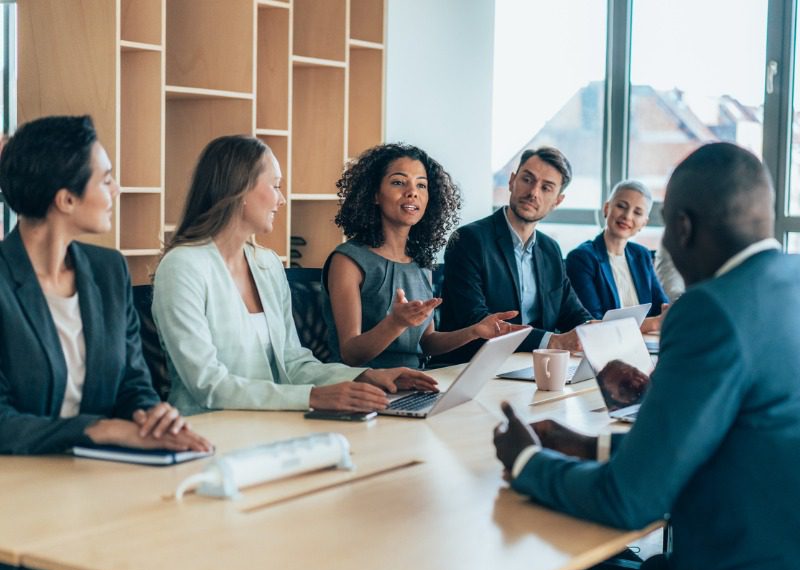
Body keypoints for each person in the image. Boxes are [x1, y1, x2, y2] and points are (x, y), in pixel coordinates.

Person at [493, 142, 800, 570]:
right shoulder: (790, 283)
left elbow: (629, 500)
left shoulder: (710, 310)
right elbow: (727, 438)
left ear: (682, 228)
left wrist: (526, 461)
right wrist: (590, 445)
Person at [152, 135, 438, 416]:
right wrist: (312, 397)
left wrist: (364, 376)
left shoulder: (266, 264)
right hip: (210, 430)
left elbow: (293, 362)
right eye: (275, 186)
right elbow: (207, 384)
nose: (282, 199)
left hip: (274, 422)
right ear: (238, 189)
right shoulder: (183, 267)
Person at [0, 115, 210, 454]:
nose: (118, 189)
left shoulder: (108, 271)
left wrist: (153, 417)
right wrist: (101, 429)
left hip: (100, 474)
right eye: (107, 180)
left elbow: (132, 382)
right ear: (66, 200)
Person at [323, 143, 526, 368]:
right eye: (398, 182)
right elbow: (351, 354)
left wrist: (475, 331)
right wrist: (395, 323)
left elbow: (427, 343)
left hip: (415, 382)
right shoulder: (347, 261)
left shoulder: (420, 262)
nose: (412, 192)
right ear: (374, 195)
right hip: (364, 388)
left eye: (421, 185)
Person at [440, 147, 592, 363]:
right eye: (527, 179)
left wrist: (592, 329)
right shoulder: (469, 240)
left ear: (557, 201)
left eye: (546, 188)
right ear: (512, 181)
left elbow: (572, 312)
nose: (533, 192)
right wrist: (552, 341)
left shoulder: (550, 250)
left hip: (532, 367)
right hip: (473, 366)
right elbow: (475, 319)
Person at [565, 180, 669, 333]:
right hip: (604, 347)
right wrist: (654, 324)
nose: (627, 216)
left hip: (644, 344)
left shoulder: (642, 255)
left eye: (637, 212)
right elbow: (594, 322)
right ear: (607, 208)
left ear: (643, 223)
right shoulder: (582, 258)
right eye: (621, 206)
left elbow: (661, 308)